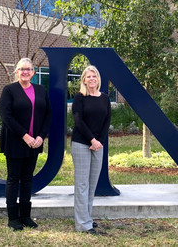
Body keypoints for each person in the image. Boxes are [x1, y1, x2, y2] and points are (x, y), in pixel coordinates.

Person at [0, 58, 52, 231]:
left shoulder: (41, 90)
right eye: (22, 69)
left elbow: (48, 115)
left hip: (35, 142)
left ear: (34, 72)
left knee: (28, 178)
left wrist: (40, 136)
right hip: (15, 141)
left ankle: (25, 216)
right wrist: (25, 136)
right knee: (14, 178)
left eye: (28, 69)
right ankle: (13, 218)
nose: (25, 72)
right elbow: (6, 117)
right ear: (17, 71)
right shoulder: (9, 90)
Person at [70, 65, 111, 235]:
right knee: (82, 184)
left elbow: (106, 121)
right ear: (84, 80)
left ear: (98, 79)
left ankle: (87, 217)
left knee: (92, 183)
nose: (92, 79)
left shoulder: (105, 98)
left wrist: (98, 141)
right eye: (88, 77)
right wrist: (92, 140)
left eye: (94, 76)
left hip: (98, 145)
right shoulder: (80, 98)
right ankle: (82, 223)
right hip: (81, 143)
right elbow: (78, 121)